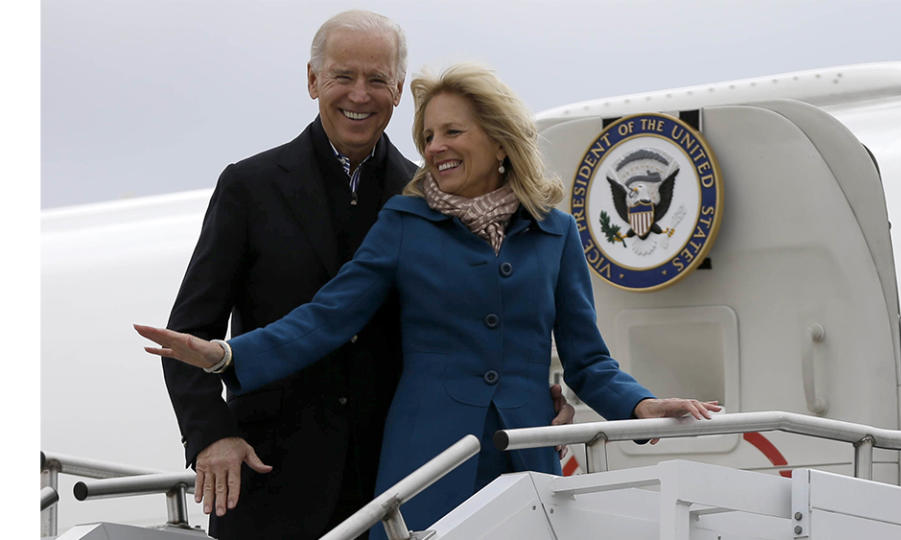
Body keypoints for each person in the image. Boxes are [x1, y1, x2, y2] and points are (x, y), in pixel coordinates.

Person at [140, 63, 719, 536]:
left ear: (498, 139)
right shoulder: (405, 221)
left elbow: (588, 361)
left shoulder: (556, 232)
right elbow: (327, 317)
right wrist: (226, 357)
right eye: (428, 135)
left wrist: (639, 407)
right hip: (428, 459)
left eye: (451, 132)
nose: (433, 147)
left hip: (527, 457)